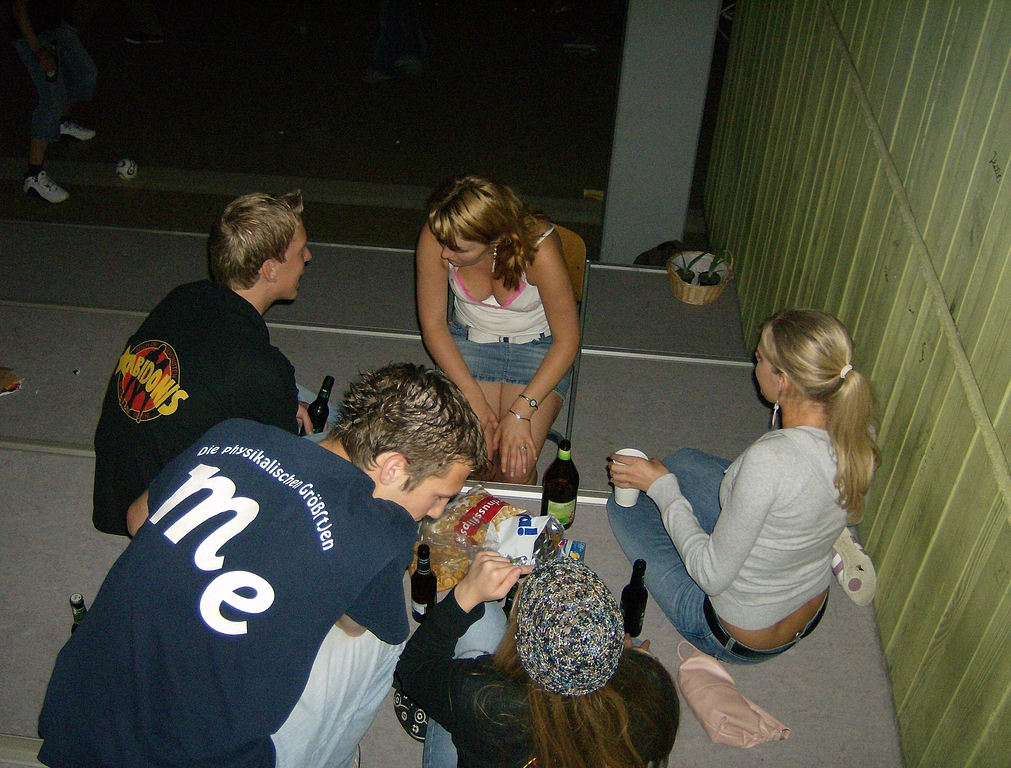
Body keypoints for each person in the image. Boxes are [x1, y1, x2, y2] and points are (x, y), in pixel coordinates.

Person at [38, 363, 488, 768]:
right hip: (197, 756)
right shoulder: (383, 531)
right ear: (392, 468)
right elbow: (354, 625)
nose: (435, 513)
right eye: (439, 496)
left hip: (77, 712)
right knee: (384, 636)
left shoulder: (233, 434)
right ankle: (331, 756)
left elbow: (138, 519)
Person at [607, 309, 881, 663]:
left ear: (783, 381)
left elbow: (711, 576)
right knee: (684, 462)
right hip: (810, 602)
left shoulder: (769, 461)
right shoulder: (857, 431)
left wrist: (662, 489)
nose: (755, 364)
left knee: (625, 509)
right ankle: (831, 533)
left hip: (735, 633)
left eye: (760, 359)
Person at [92, 190, 324, 538]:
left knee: (266, 394)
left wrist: (276, 401)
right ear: (270, 269)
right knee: (329, 447)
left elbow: (207, 376)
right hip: (159, 521)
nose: (308, 257)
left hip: (114, 490)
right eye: (300, 250)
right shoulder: (263, 366)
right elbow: (281, 468)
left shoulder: (184, 296)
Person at [396, 554, 680, 768]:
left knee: (483, 617)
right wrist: (636, 664)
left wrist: (465, 594)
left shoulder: (487, 701)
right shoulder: (653, 690)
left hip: (489, 730)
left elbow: (411, 668)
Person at [416, 175, 580, 484]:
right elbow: (434, 326)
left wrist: (522, 412)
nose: (445, 254)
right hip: (469, 343)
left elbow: (568, 341)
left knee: (514, 470)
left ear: (495, 239)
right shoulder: (439, 234)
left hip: (538, 349)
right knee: (470, 462)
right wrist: (474, 398)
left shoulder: (539, 250)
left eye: (458, 249)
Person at [11, 0, 98, 203]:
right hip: (31, 35)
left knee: (85, 73)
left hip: (56, 27)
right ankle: (33, 176)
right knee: (52, 98)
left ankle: (61, 123)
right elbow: (18, 7)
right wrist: (36, 49)